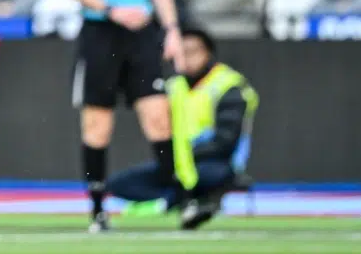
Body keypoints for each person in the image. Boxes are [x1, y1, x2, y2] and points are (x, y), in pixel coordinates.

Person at [55, 0, 184, 233]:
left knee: (158, 117)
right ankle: (97, 209)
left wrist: (172, 27)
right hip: (101, 31)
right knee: (97, 124)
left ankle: (175, 194)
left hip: (141, 32)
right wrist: (112, 10)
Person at [109, 29, 259, 230]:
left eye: (193, 51)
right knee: (119, 184)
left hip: (214, 160)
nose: (187, 58)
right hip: (179, 162)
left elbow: (226, 141)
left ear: (207, 52)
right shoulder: (174, 85)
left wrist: (185, 156)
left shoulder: (228, 85)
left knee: (209, 175)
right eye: (182, 51)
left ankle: (180, 201)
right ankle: (182, 202)